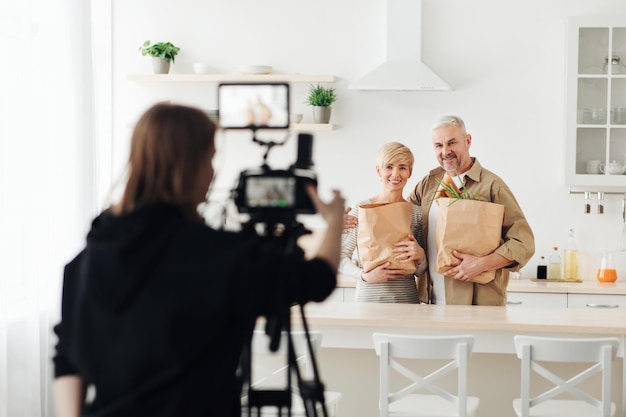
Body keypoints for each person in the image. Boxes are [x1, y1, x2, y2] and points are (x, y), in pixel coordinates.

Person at [52, 102, 346, 417]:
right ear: (190, 167)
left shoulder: (83, 263)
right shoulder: (218, 255)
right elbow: (317, 279)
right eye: (210, 158)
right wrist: (334, 222)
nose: (213, 171)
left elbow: (67, 358)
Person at [345, 116, 534, 305]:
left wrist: (481, 264)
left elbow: (523, 242)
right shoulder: (429, 184)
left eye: (452, 143)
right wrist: (347, 222)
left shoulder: (491, 186)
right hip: (429, 302)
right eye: (438, 145)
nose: (445, 151)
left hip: (477, 301)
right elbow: (393, 220)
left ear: (467, 141)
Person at [340, 142, 427, 303]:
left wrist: (420, 256)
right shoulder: (362, 210)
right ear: (378, 171)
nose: (395, 174)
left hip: (407, 302)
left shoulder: (416, 213)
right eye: (389, 167)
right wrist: (364, 276)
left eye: (402, 167)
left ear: (410, 172)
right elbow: (340, 257)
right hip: (368, 301)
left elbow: (421, 271)